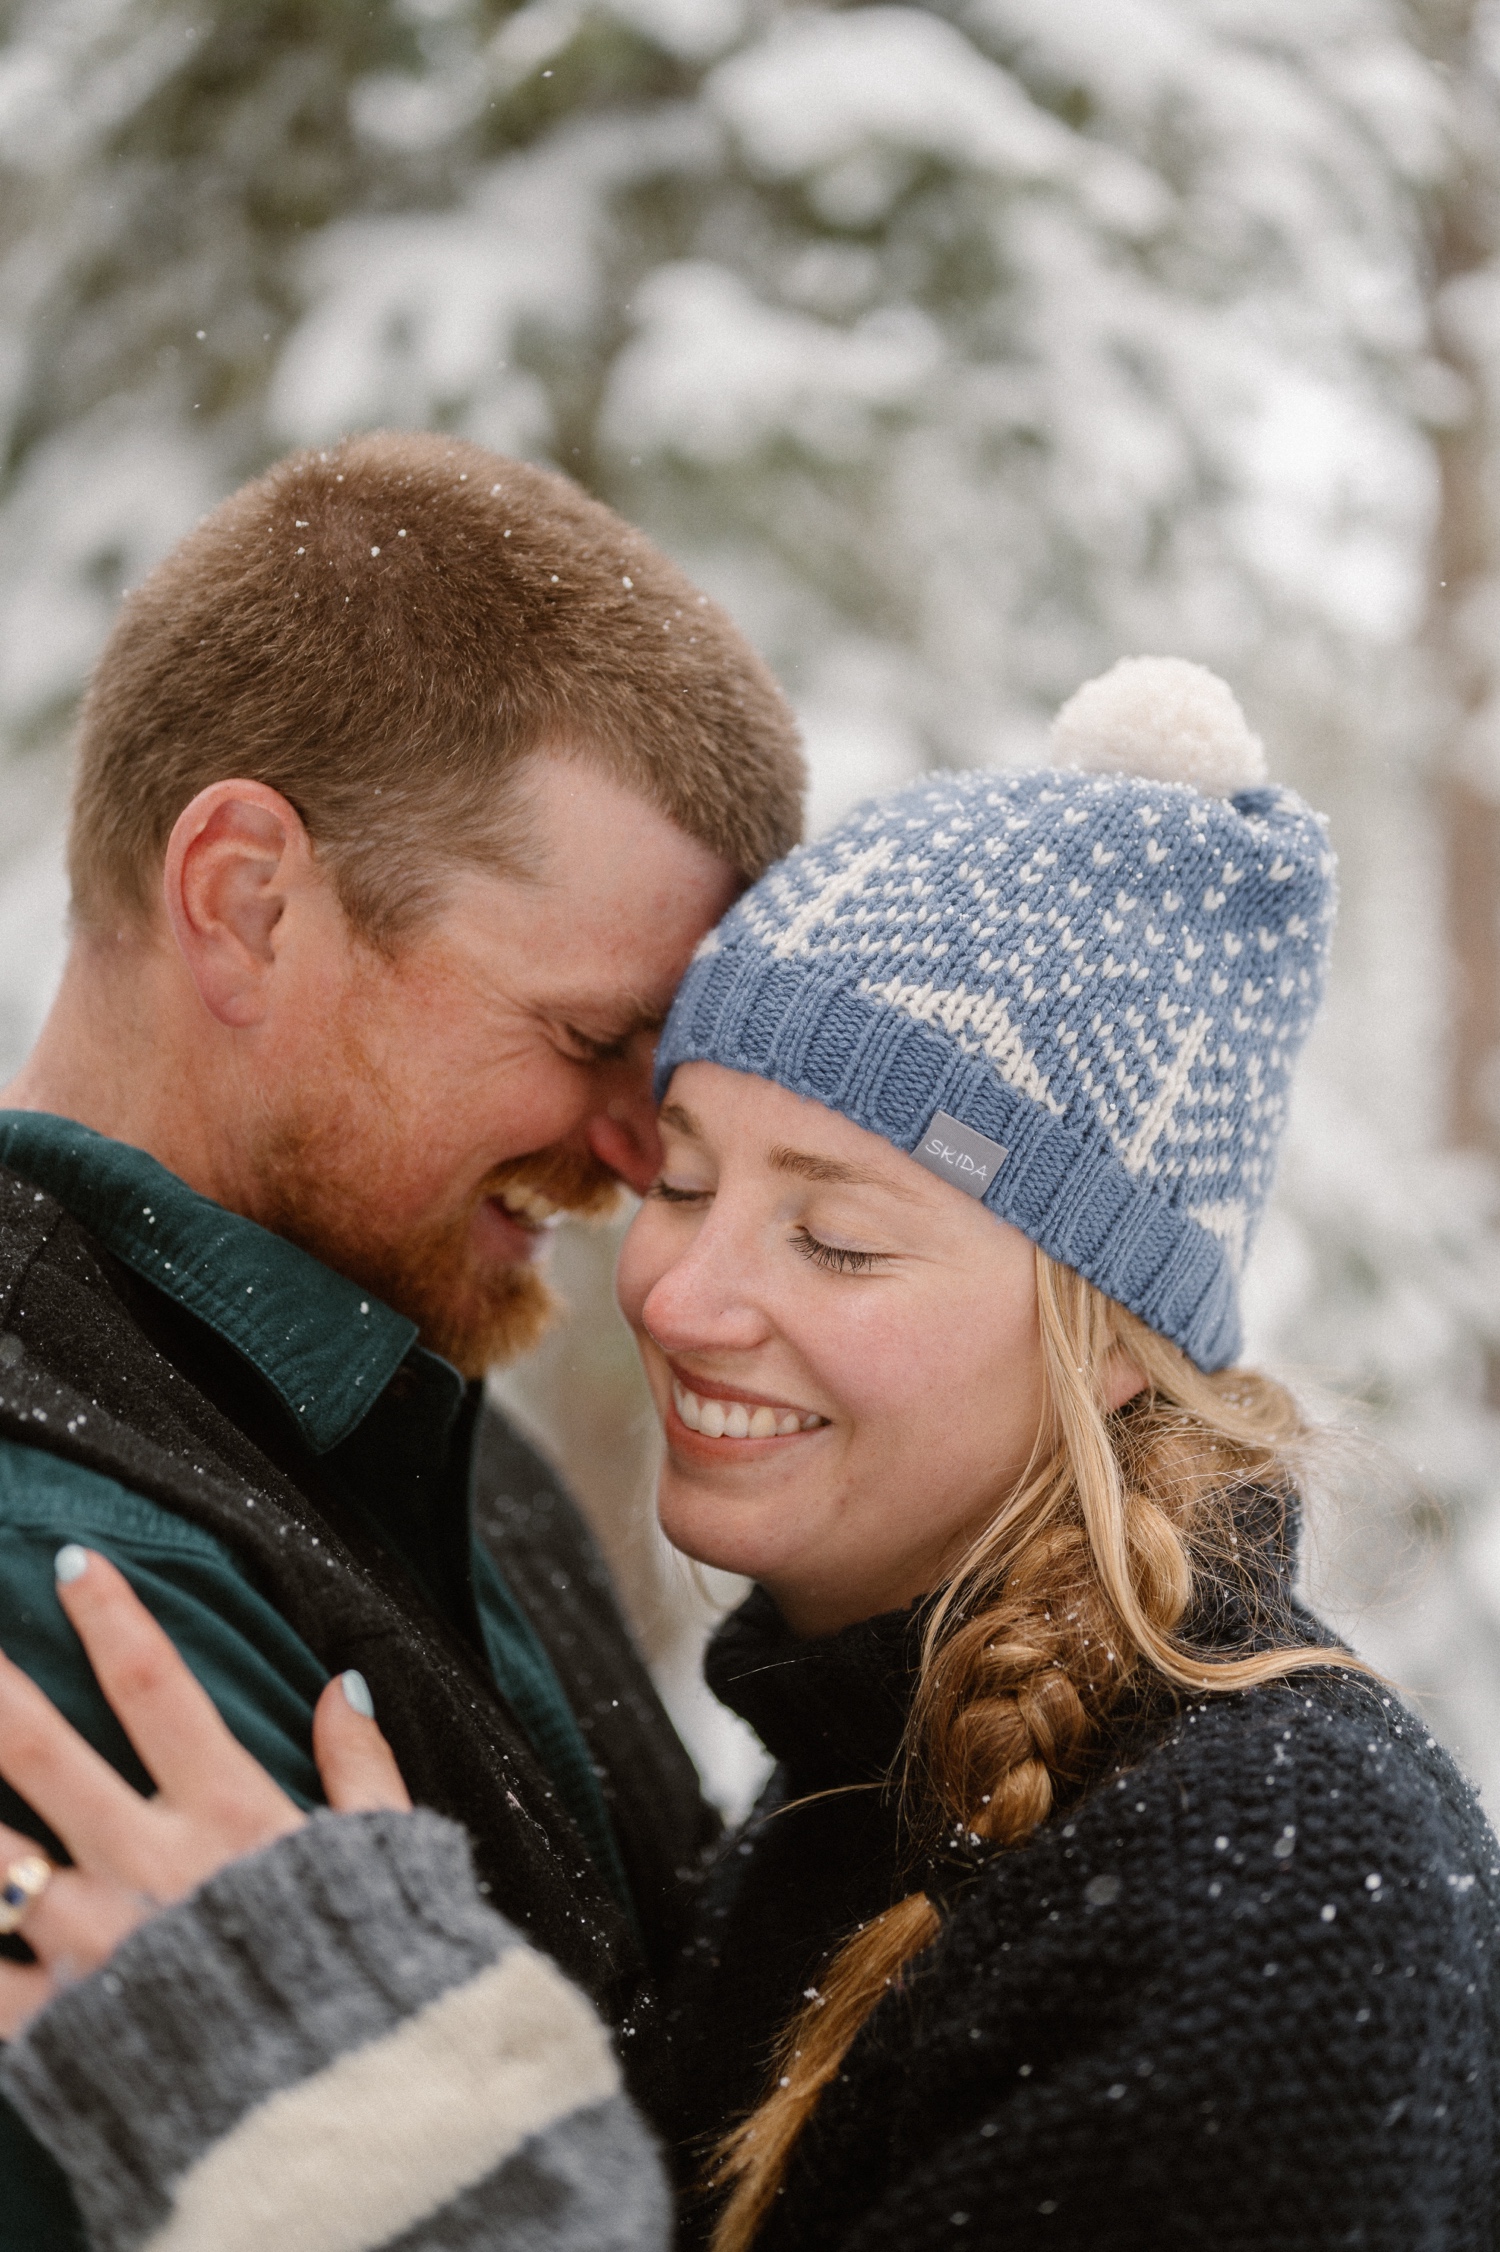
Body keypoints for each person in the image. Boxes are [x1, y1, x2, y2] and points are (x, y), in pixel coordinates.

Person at [2, 657, 1496, 2251]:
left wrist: (366, 2141)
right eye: (688, 1182)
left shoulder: (1278, 1900)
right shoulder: (870, 1789)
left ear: (1118, 1332)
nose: (682, 1297)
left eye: (839, 1238)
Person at [0, 427, 804, 2243]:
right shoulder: (68, 1590)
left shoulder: (417, 1429)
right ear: (246, 899)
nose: (634, 1148)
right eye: (592, 1032)